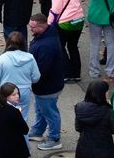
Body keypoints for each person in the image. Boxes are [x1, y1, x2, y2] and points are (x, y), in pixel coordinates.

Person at [27, 14, 65, 151]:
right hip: (46, 85)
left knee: (50, 112)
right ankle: (37, 131)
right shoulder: (45, 36)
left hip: (48, 87)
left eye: (33, 27)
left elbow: (41, 71)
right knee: (40, 109)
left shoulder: (46, 46)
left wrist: (31, 80)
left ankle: (54, 138)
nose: (30, 29)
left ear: (42, 26)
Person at [0, 31, 40, 123]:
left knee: (6, 119)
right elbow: (36, 77)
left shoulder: (2, 58)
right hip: (24, 90)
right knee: (23, 118)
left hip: (6, 91)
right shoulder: (30, 58)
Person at [48, 0, 85, 83]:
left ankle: (67, 73)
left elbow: (56, 9)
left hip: (65, 22)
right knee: (73, 47)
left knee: (61, 47)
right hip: (79, 20)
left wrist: (49, 22)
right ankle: (76, 73)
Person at [75, 80, 114, 158]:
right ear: (102, 94)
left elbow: (78, 128)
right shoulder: (108, 111)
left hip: (84, 147)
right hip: (104, 148)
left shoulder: (79, 107)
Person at [0, 83, 30, 158]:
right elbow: (25, 130)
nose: (17, 96)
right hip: (14, 150)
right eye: (13, 95)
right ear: (6, 96)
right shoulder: (14, 111)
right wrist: (18, 114)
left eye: (17, 93)